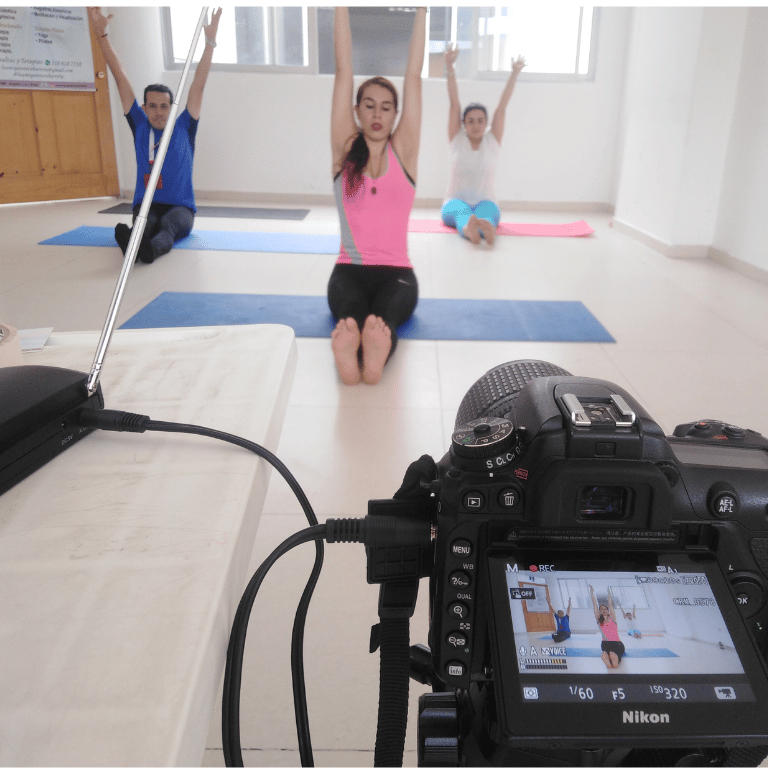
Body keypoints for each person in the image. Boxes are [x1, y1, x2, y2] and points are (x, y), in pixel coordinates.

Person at [327, 7, 426, 385]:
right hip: (347, 272)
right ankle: (354, 357)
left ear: (397, 114)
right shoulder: (344, 148)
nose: (377, 114)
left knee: (382, 319)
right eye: (368, 105)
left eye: (386, 107)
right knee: (350, 316)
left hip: (398, 276)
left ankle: (371, 361)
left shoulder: (405, 153)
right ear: (356, 110)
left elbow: (413, 77)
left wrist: (422, 10)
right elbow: (343, 70)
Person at [89, 7, 222, 264]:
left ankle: (147, 251)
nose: (159, 112)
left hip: (181, 207)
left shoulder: (185, 124)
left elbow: (198, 84)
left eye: (164, 106)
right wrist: (101, 35)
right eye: (153, 106)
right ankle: (135, 243)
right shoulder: (139, 124)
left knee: (168, 227)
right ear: (145, 108)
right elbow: (120, 77)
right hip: (146, 204)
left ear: (172, 108)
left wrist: (210, 43)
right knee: (144, 224)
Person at [441, 46, 526, 245]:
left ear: (486, 123)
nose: (476, 125)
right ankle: (470, 230)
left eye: (480, 120)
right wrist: (449, 67)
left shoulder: (492, 141)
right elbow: (454, 103)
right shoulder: (457, 139)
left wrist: (514, 73)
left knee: (487, 214)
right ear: (464, 124)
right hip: (454, 202)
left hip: (485, 203)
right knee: (463, 214)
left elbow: (502, 108)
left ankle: (486, 229)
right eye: (470, 121)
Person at [590, 585, 625, 669]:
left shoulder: (612, 618)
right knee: (604, 654)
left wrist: (609, 593)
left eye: (605, 609)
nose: (603, 610)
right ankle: (609, 665)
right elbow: (595, 604)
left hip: (617, 643)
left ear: (608, 610)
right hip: (605, 644)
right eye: (601, 609)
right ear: (600, 611)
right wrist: (591, 592)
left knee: (612, 654)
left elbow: (610, 604)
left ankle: (614, 664)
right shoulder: (599, 620)